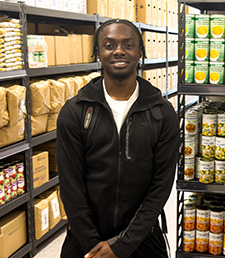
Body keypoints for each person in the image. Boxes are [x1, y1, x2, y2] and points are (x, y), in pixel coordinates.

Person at [57, 19, 179, 258]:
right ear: (98, 53)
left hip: (142, 238)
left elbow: (161, 186)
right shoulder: (75, 111)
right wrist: (93, 245)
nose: (119, 51)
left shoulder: (163, 113)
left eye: (128, 45)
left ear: (140, 53)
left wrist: (121, 246)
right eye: (109, 45)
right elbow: (71, 186)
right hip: (86, 240)